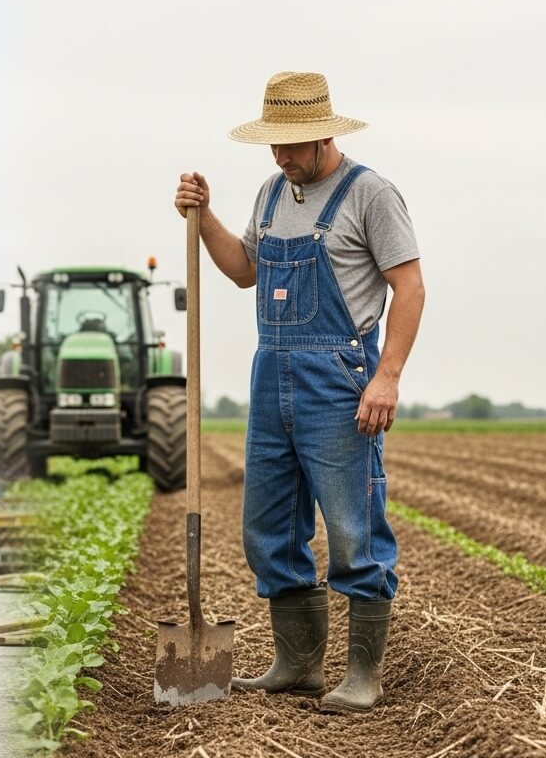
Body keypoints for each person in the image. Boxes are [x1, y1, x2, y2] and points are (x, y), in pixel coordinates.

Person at [173, 71, 425, 713]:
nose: (281, 156)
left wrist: (387, 376)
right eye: (273, 144)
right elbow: (243, 271)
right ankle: (298, 665)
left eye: (291, 144)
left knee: (352, 526)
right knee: (269, 525)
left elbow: (411, 287)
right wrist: (203, 219)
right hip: (271, 376)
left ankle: (362, 675)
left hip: (339, 378)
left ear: (323, 136)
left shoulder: (370, 194)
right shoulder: (270, 192)